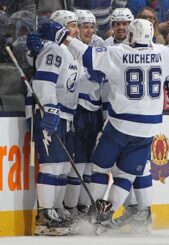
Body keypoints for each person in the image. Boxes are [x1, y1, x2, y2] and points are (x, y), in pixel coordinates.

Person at [30, 17, 169, 233]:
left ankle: (95, 214)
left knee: (99, 167)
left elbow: (87, 55)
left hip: (120, 124)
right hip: (148, 129)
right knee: (127, 175)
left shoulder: (119, 53)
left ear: (131, 36)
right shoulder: (164, 53)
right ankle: (107, 216)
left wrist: (64, 37)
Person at [26, 9, 82, 236]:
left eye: (77, 25)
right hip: (52, 113)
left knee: (63, 166)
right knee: (51, 165)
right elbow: (44, 81)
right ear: (59, 28)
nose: (75, 30)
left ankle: (56, 210)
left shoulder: (69, 51)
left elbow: (72, 84)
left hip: (66, 116)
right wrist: (49, 109)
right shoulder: (54, 49)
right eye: (71, 25)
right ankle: (44, 215)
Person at [63, 9, 105, 220]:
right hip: (78, 110)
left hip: (95, 112)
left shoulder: (99, 44)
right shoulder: (70, 48)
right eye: (84, 26)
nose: (88, 30)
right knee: (77, 163)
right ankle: (70, 209)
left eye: (91, 26)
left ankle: (83, 208)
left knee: (92, 164)